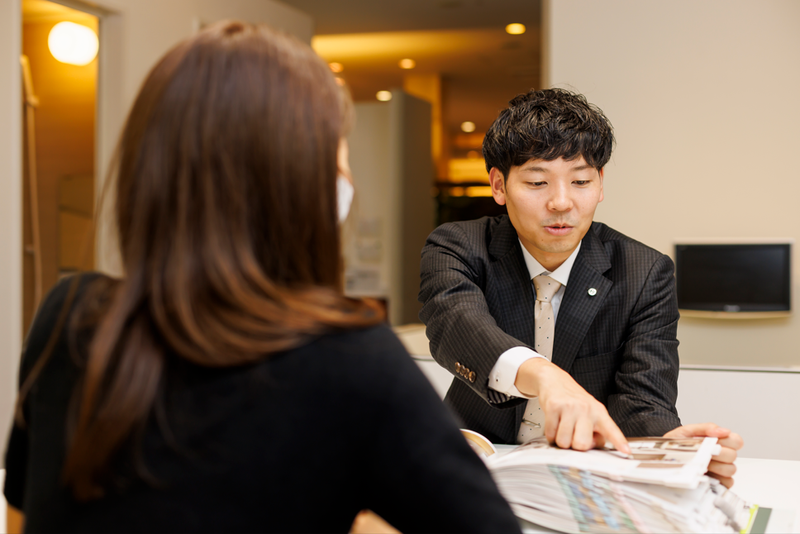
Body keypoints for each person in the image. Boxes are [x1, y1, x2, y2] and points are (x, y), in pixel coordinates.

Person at [3, 21, 523, 533]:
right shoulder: (353, 361)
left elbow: (24, 515)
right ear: (307, 187)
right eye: (340, 158)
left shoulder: (70, 315)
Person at [418, 88, 742, 487]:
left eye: (581, 181)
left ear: (600, 184)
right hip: (473, 467)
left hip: (584, 474)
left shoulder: (644, 272)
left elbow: (643, 398)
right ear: (499, 186)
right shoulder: (458, 246)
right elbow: (457, 325)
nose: (561, 202)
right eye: (537, 182)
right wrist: (548, 378)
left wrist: (667, 446)